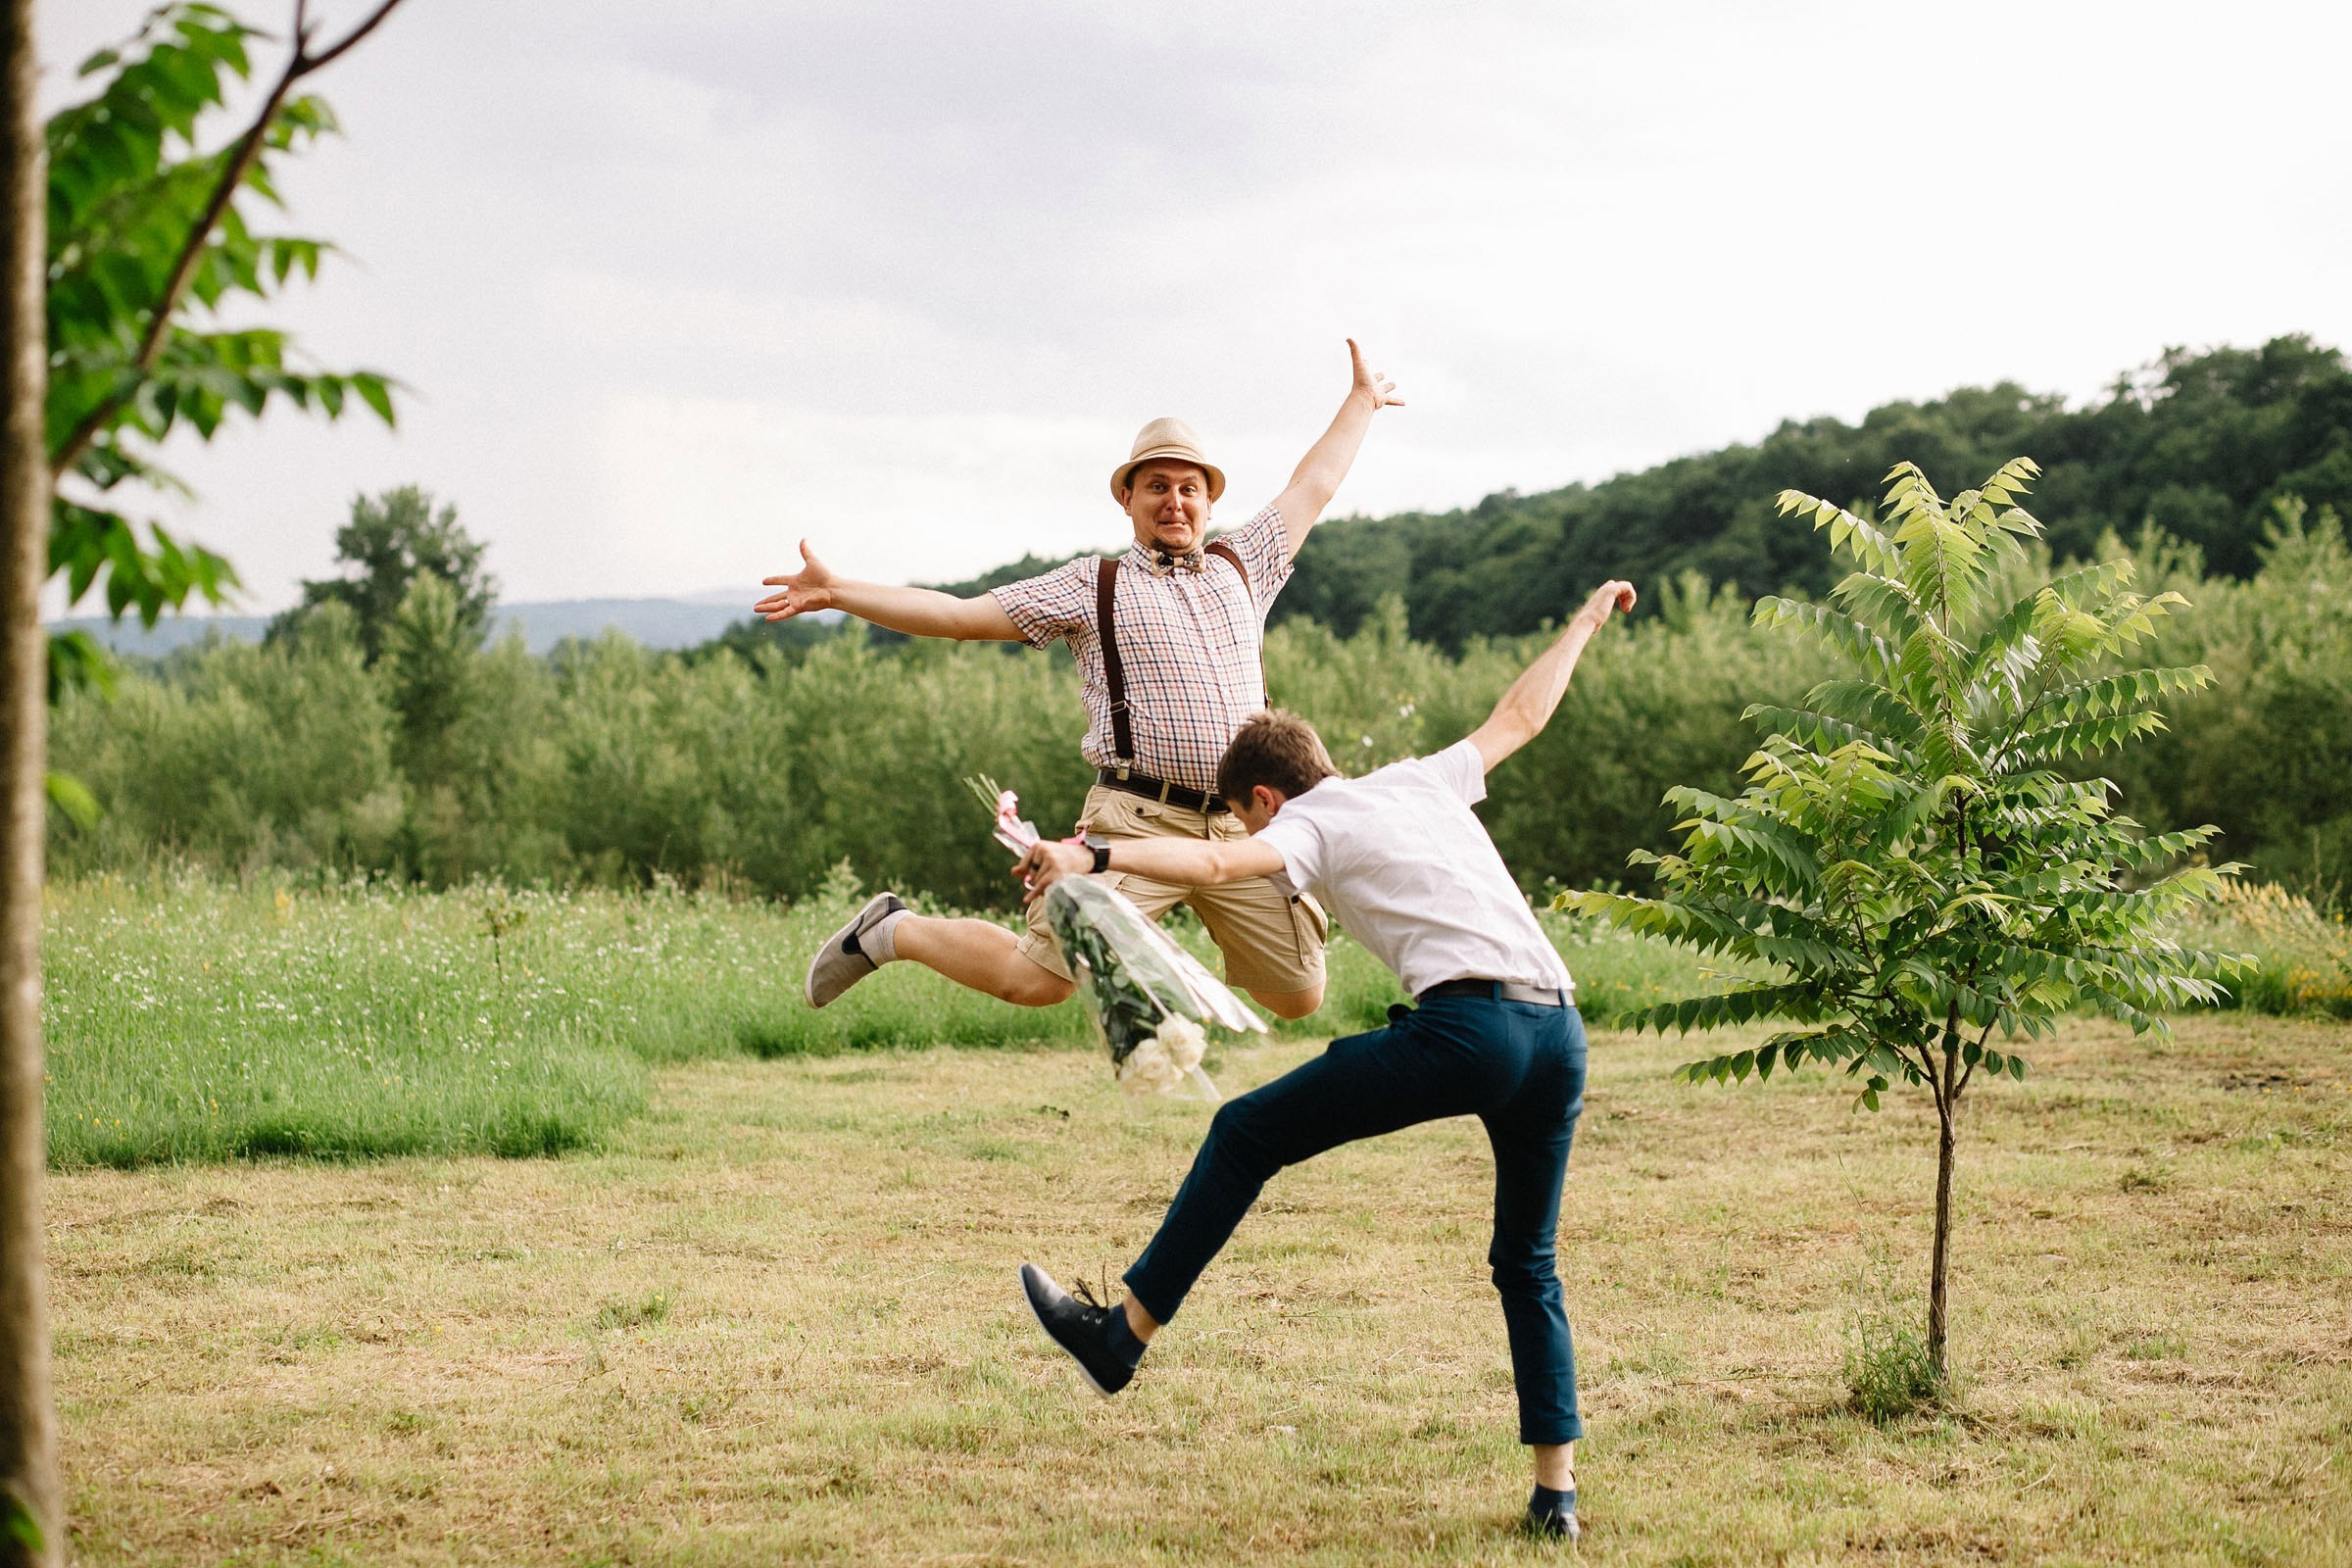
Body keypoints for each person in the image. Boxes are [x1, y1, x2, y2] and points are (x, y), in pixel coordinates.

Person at [1011, 577, 1640, 1544]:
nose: (1259, 836)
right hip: (1559, 1033)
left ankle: (1118, 1337)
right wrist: (1585, 622)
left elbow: (1218, 866)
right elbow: (1521, 714)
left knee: (1244, 1128)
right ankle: (1556, 1496)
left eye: (1251, 816)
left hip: (1470, 1031)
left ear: (1266, 795)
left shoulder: (1306, 821)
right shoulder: (1423, 777)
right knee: (1528, 1258)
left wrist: (1093, 860)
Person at [760, 342, 1403, 1022]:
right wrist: (838, 591)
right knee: (1036, 980)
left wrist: (1361, 401)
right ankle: (892, 930)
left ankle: (1157, 957)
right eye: (1157, 486)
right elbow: (957, 615)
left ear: (1211, 501)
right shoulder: (1091, 585)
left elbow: (1315, 485)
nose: (1175, 502)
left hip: (1242, 824)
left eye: (1190, 488)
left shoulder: (1245, 565)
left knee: (1298, 997)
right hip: (1135, 820)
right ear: (1128, 496)